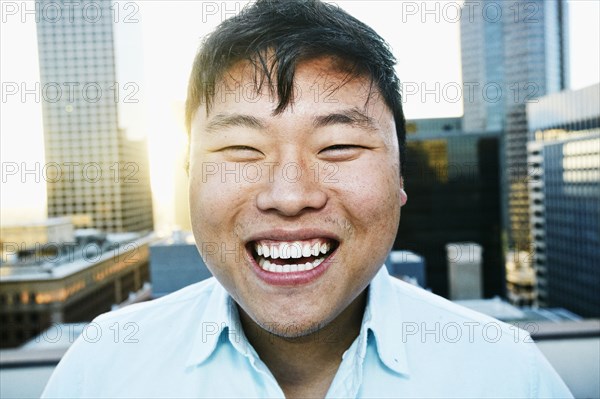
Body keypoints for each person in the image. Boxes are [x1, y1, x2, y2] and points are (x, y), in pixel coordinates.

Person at [42, 0, 572, 397]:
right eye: (241, 148)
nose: (289, 194)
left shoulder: (506, 374)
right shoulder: (105, 369)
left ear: (400, 175)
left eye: (338, 146)